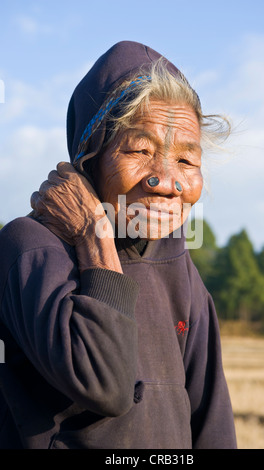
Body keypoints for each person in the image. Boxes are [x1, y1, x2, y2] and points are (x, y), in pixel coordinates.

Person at [0, 41, 237, 449]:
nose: (166, 181)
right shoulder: (31, 247)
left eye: (186, 161)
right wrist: (94, 236)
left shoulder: (176, 261)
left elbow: (211, 417)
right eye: (141, 150)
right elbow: (105, 385)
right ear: (88, 158)